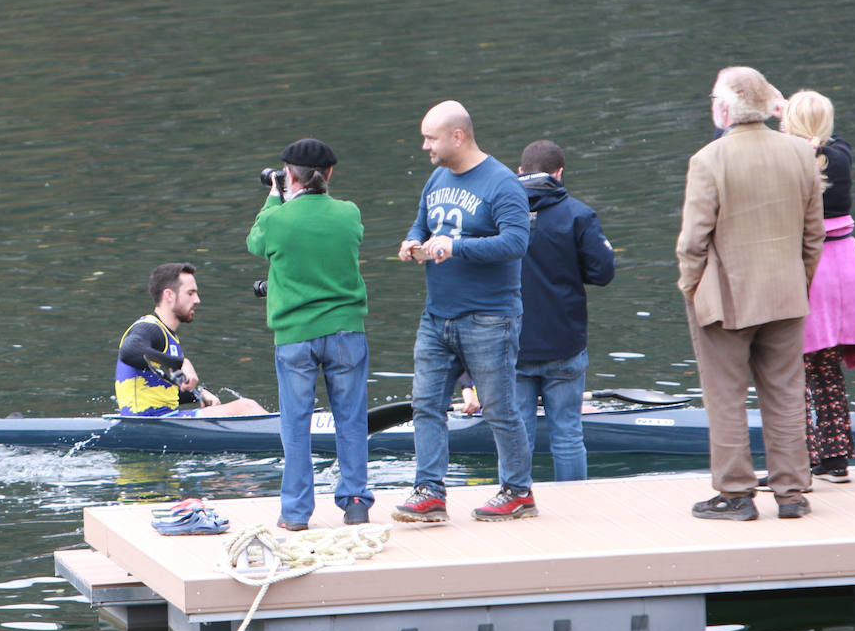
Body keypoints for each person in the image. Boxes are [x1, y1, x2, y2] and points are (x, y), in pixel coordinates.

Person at [676, 66, 824, 520]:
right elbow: (812, 235)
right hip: (786, 294)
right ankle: (792, 493)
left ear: (724, 109)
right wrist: (800, 281)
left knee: (725, 395)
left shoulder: (708, 160)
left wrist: (691, 287)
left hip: (726, 300)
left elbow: (692, 241)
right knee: (784, 393)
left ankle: (736, 493)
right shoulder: (801, 153)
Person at [394, 101, 534, 523]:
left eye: (430, 138)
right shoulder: (436, 178)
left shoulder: (502, 182)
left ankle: (518, 491)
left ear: (458, 136)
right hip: (437, 316)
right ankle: (430, 492)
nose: (424, 147)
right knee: (426, 405)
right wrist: (412, 241)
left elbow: (516, 243)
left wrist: (457, 246)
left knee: (499, 407)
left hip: (490, 317)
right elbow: (423, 224)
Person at [247, 138, 374, 530]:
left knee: (296, 426)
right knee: (351, 420)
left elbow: (255, 243)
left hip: (294, 336)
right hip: (346, 332)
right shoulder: (349, 213)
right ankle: (355, 503)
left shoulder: (275, 219)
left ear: (288, 176)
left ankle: (297, 514)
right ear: (330, 174)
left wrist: (274, 200)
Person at [784, 90, 855, 483]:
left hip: (813, 265)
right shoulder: (841, 154)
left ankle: (799, 460)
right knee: (827, 364)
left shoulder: (789, 160)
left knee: (793, 367)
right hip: (848, 263)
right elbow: (823, 139)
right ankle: (835, 459)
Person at [514, 140, 616, 481]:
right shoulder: (578, 215)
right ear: (559, 174)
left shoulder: (498, 215)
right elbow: (603, 273)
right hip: (565, 344)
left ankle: (515, 500)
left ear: (519, 172)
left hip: (513, 345)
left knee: (518, 440)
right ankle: (575, 508)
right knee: (568, 436)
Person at [114, 262, 268, 418]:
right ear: (169, 295)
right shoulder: (149, 328)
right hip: (148, 424)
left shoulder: (169, 336)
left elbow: (159, 390)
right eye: (190, 293)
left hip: (163, 421)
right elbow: (128, 351)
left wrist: (198, 394)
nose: (197, 300)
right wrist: (181, 363)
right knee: (246, 407)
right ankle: (289, 439)